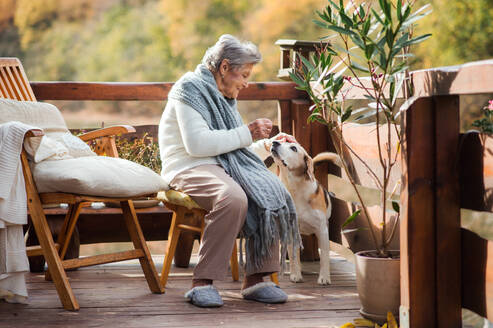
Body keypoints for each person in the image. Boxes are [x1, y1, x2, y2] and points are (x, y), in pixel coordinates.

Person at [158, 34, 300, 308]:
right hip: (188, 166)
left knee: (272, 190)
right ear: (224, 67)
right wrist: (247, 132)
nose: (247, 82)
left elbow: (237, 150)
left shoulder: (224, 97)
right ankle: (203, 283)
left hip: (221, 166)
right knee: (232, 197)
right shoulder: (189, 89)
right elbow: (198, 145)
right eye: (244, 75)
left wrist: (270, 145)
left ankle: (258, 279)